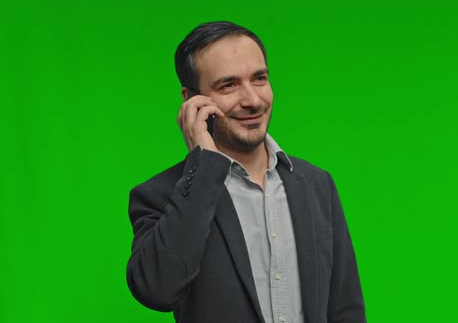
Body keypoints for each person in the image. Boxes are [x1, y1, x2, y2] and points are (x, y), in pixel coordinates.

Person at [126, 21, 366, 323]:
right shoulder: (159, 195)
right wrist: (201, 169)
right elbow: (156, 291)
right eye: (228, 85)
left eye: (260, 78)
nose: (252, 100)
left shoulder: (316, 184)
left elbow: (346, 308)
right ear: (191, 101)